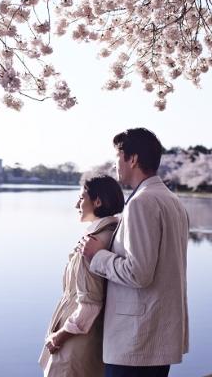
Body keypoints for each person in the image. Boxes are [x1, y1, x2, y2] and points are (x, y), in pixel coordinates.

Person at [82, 128, 190, 377]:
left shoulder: (141, 203)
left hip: (136, 338)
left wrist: (97, 255)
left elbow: (138, 272)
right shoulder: (173, 201)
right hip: (159, 333)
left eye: (117, 157)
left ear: (132, 159)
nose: (115, 164)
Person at [39, 175, 125, 377]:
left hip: (77, 343)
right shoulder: (113, 233)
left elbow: (90, 305)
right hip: (96, 339)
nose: (76, 204)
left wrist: (59, 336)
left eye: (81, 198)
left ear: (97, 201)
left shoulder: (91, 245)